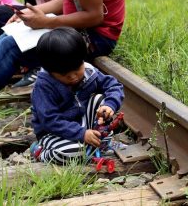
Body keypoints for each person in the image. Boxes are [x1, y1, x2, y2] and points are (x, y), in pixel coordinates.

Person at [28, 27, 124, 164]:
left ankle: (102, 143)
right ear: (50, 71)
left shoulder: (89, 72)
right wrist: (81, 134)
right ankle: (40, 151)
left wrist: (109, 105)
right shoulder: (44, 86)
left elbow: (114, 86)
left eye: (77, 69)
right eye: (64, 75)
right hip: (54, 133)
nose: (73, 77)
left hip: (83, 126)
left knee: (99, 100)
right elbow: (50, 120)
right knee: (75, 152)